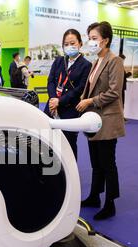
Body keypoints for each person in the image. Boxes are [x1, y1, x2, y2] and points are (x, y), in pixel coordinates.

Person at [76, 21, 125, 221]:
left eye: (94, 38)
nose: (91, 41)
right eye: (89, 37)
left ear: (105, 40)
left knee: (107, 163)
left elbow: (114, 92)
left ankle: (110, 203)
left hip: (108, 119)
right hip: (94, 119)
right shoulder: (97, 61)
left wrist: (90, 100)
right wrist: (84, 99)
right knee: (96, 162)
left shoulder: (114, 61)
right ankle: (95, 196)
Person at [45, 29, 92, 158]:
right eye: (66, 44)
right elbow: (50, 81)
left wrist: (60, 101)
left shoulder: (86, 65)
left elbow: (79, 89)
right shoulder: (59, 60)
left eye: (72, 43)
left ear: (80, 44)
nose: (69, 46)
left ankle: (70, 174)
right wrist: (53, 99)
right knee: (47, 142)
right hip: (51, 107)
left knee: (69, 144)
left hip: (69, 110)